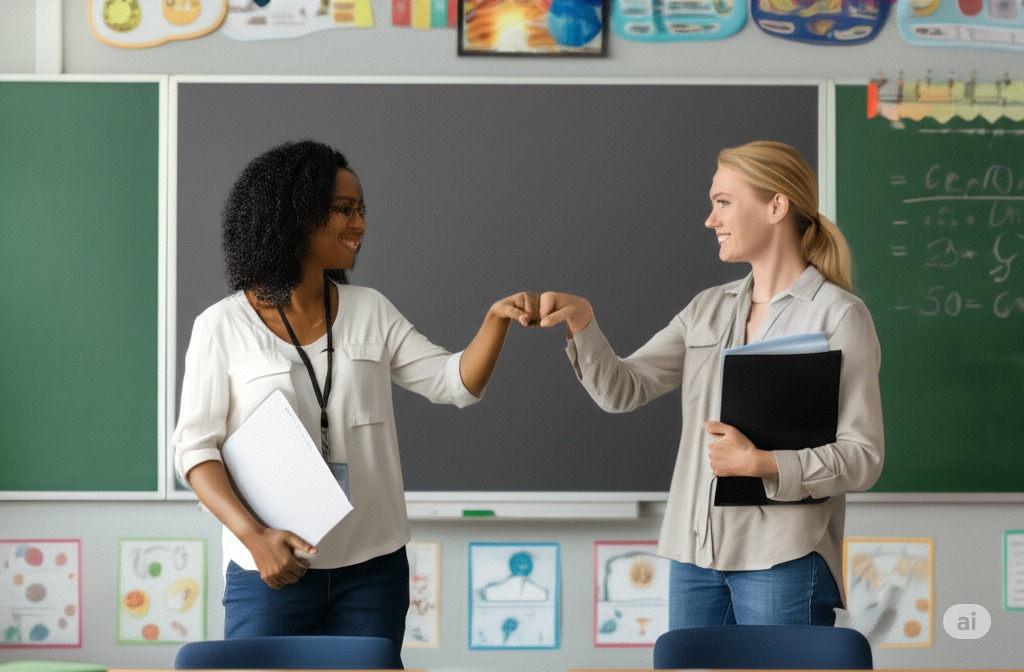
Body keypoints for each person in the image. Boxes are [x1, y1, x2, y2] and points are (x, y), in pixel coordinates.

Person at [172, 140, 539, 657]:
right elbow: (195, 451)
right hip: (272, 566)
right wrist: (254, 537)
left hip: (372, 570)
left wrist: (495, 320)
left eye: (361, 210)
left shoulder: (371, 310)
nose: (360, 224)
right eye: (344, 210)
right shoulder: (221, 326)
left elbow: (455, 383)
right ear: (296, 215)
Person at [538, 140, 884, 627]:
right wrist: (582, 323)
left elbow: (863, 457)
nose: (709, 220)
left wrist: (761, 464)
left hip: (782, 558)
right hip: (693, 557)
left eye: (723, 202)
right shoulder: (706, 308)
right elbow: (622, 390)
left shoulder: (839, 316)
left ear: (776, 207)